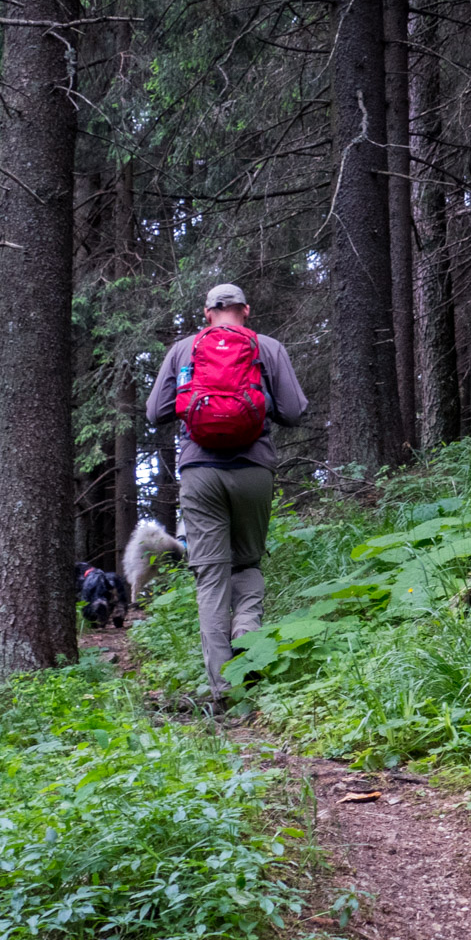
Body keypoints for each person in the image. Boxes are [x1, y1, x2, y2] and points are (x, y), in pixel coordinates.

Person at [145, 283, 310, 698]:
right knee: (248, 562)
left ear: (207, 313)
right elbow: (293, 411)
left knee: (210, 575)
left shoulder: (183, 350)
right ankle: (247, 633)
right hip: (254, 469)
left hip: (199, 471)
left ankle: (223, 687)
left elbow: (155, 412)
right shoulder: (267, 347)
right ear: (245, 310)